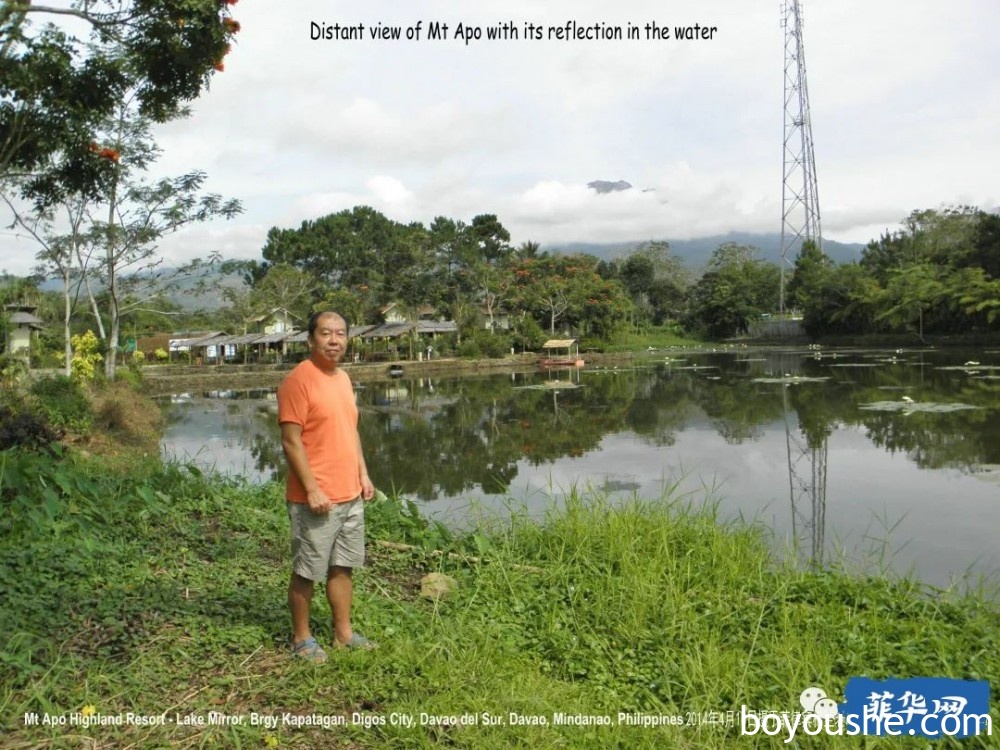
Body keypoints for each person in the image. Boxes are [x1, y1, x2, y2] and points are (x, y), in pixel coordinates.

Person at [276, 311, 376, 662]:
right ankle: (301, 638)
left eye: (340, 334)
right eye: (326, 334)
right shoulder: (298, 381)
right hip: (315, 499)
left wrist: (362, 473)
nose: (334, 340)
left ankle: (343, 633)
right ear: (310, 340)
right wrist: (313, 489)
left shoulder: (344, 379)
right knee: (308, 570)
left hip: (349, 494)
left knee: (343, 566)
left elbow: (350, 432)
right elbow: (291, 441)